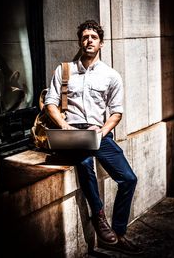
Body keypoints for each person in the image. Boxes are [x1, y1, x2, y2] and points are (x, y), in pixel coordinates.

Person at [44, 20, 142, 255]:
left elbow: (116, 112)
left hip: (98, 132)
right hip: (70, 132)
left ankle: (118, 233)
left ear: (101, 43)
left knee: (128, 179)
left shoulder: (111, 76)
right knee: (86, 163)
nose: (89, 40)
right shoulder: (64, 70)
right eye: (85, 36)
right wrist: (64, 126)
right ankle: (99, 217)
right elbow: (50, 104)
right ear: (80, 41)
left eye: (93, 37)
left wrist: (102, 132)